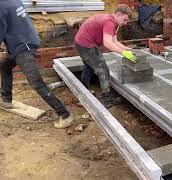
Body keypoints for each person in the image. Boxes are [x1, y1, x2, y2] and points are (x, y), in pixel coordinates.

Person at [0, 0, 74, 129]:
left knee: (36, 83)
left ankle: (65, 115)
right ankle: (6, 100)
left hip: (23, 47)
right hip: (25, 41)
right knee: (5, 66)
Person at [74, 4, 137, 108]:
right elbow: (107, 43)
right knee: (103, 70)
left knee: (89, 67)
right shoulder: (109, 22)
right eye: (125, 20)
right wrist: (123, 53)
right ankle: (107, 100)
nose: (125, 23)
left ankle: (84, 92)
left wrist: (128, 49)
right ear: (119, 14)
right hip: (86, 45)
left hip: (81, 43)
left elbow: (114, 41)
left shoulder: (115, 23)